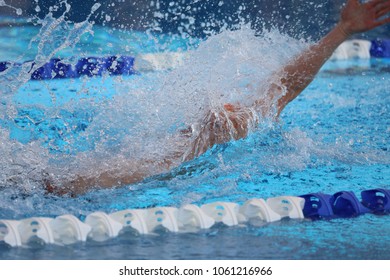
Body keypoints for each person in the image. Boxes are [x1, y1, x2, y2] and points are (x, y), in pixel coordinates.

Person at [45, 0, 390, 195]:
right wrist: (341, 30)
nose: (226, 103)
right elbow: (288, 83)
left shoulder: (160, 165)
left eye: (229, 110)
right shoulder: (240, 127)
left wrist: (343, 30)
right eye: (226, 106)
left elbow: (290, 82)